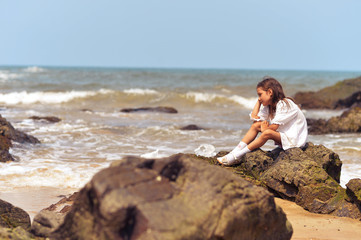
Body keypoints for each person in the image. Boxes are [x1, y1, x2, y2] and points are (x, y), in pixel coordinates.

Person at [217, 77, 308, 166]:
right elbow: (254, 118)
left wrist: (265, 130)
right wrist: (258, 102)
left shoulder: (285, 104)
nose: (259, 98)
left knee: (267, 132)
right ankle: (235, 151)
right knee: (256, 126)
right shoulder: (269, 106)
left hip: (295, 141)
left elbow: (274, 127)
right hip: (284, 138)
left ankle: (237, 156)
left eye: (260, 95)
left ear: (270, 92)